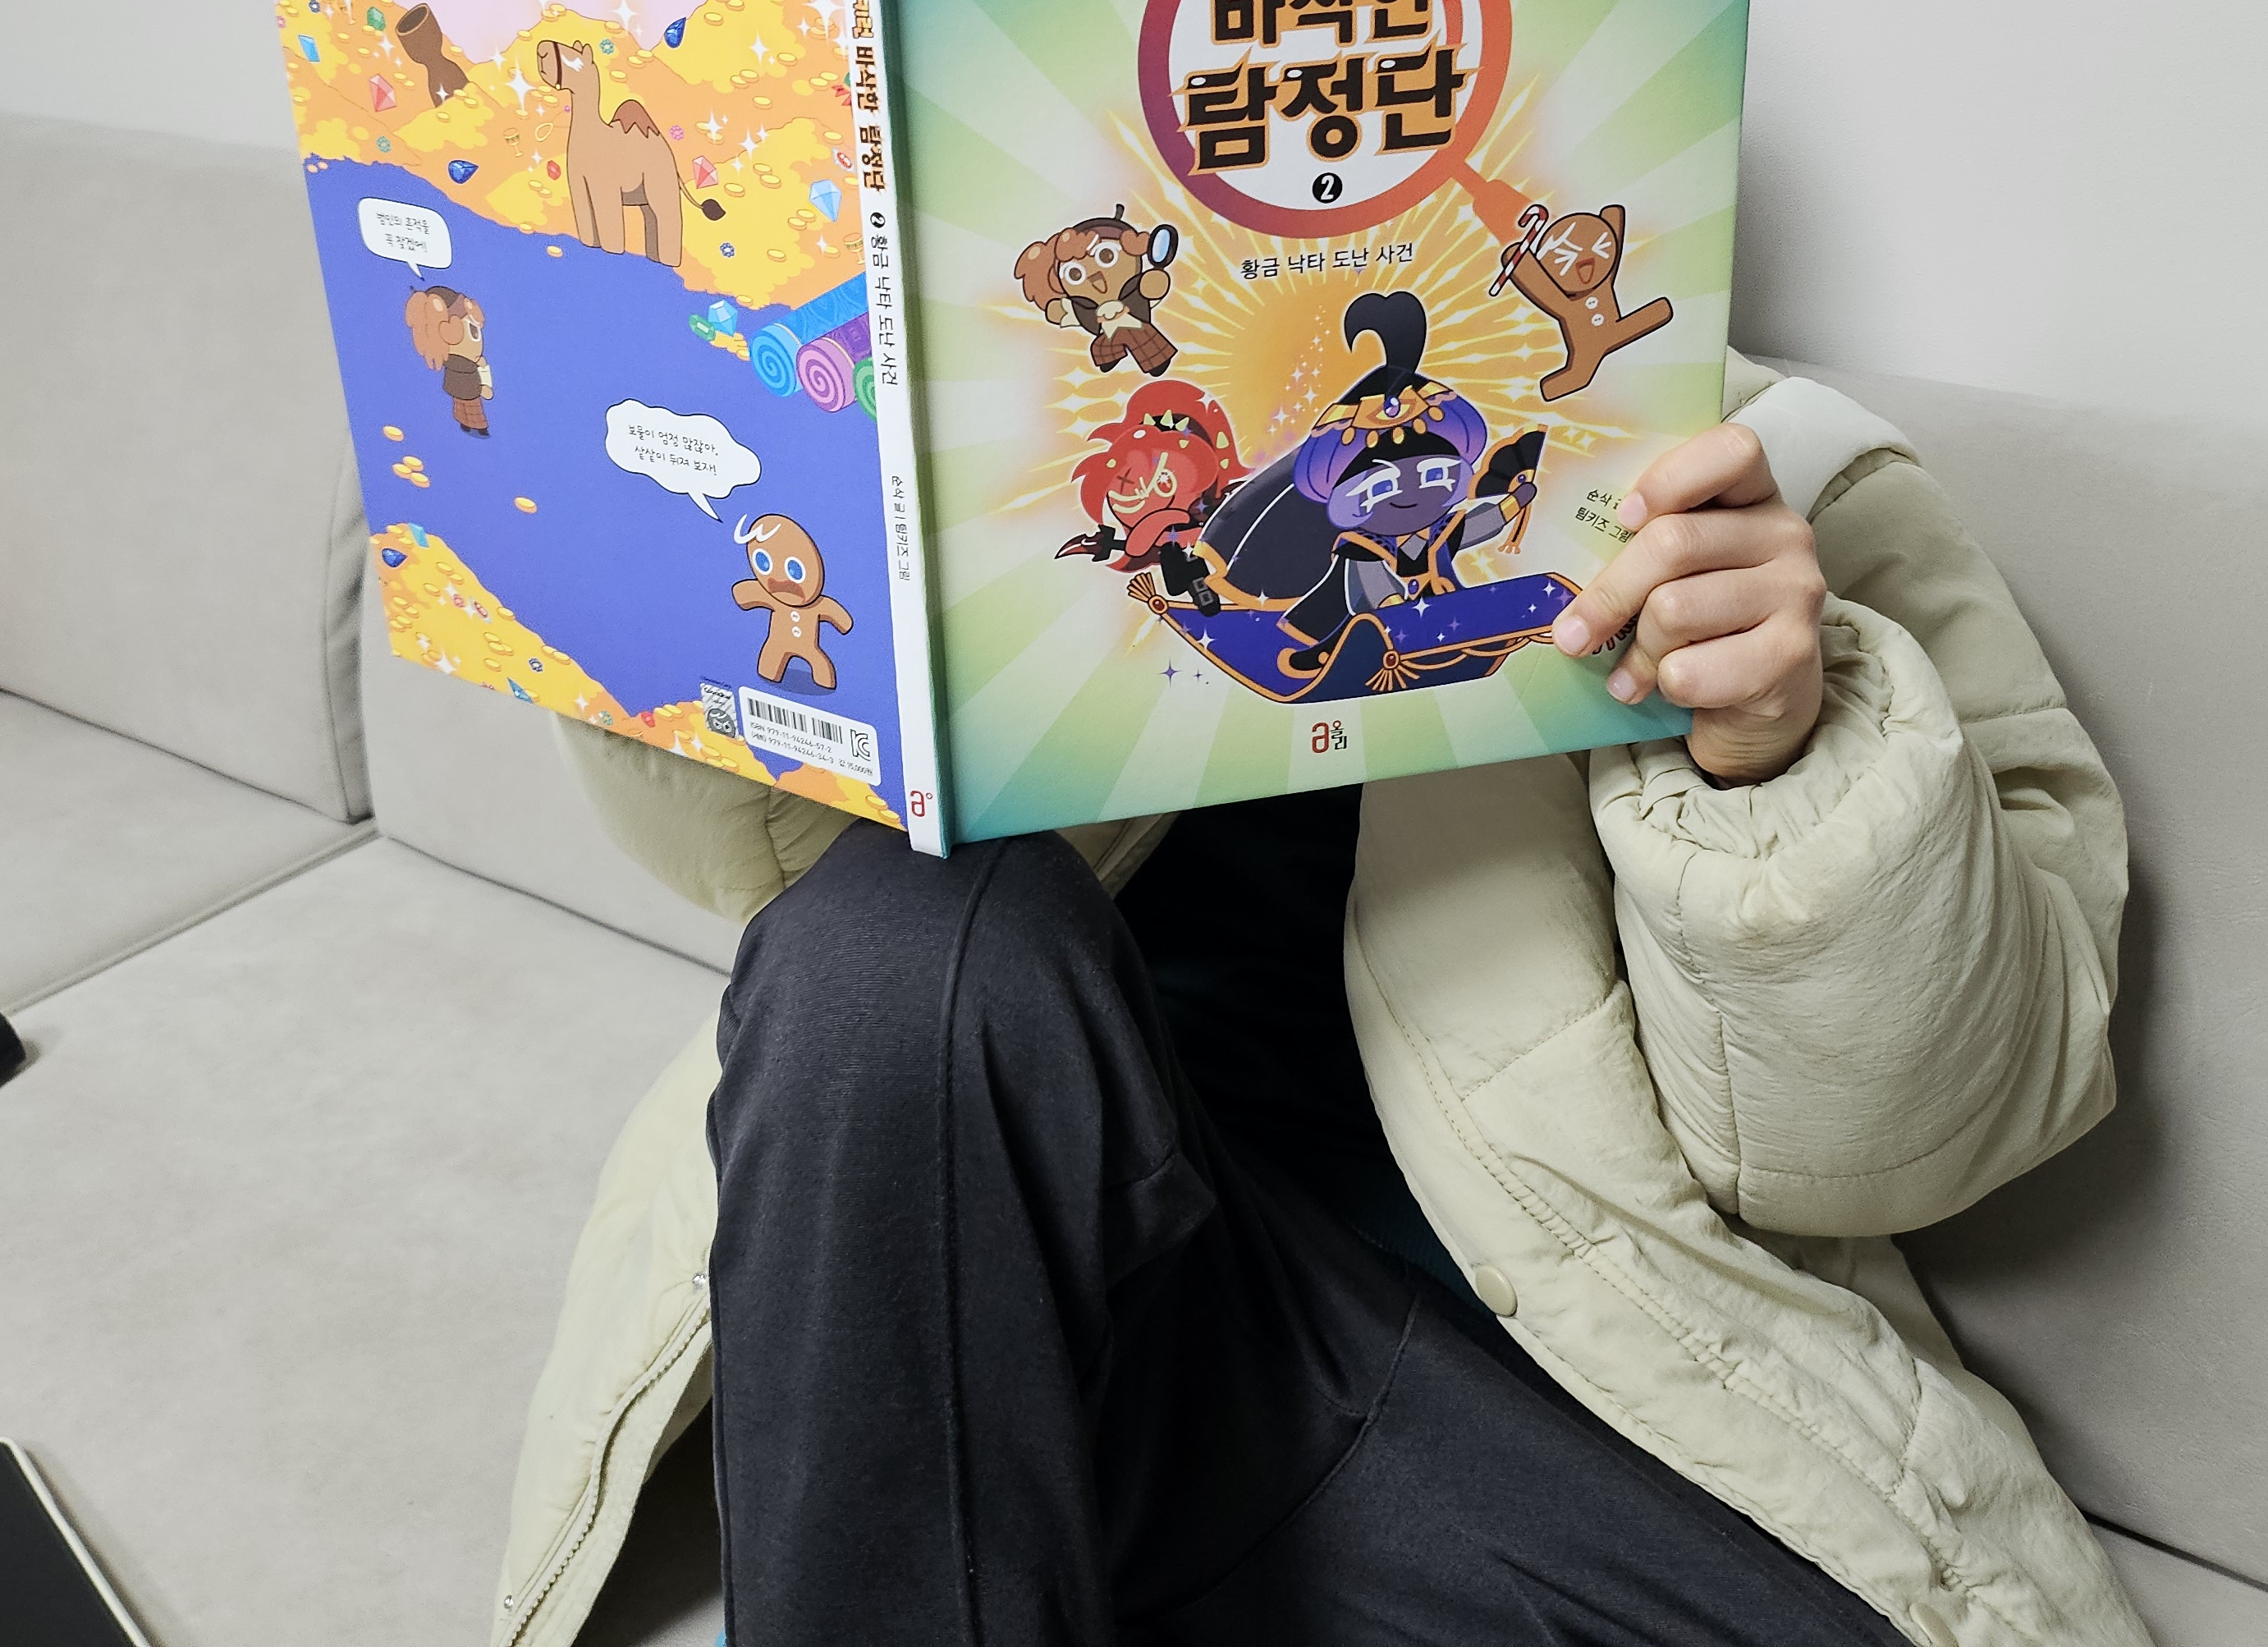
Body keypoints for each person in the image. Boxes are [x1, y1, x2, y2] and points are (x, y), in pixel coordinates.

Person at [490, 356, 2148, 1647]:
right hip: (1060, 1344)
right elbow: (755, 868)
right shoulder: (1000, 458)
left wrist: (1779, 745)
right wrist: (676, 506)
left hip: (1555, 1425)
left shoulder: (1770, 487)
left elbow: (1917, 1137)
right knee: (890, 934)